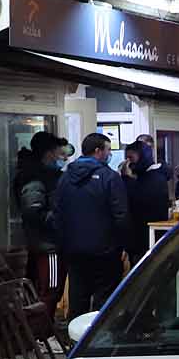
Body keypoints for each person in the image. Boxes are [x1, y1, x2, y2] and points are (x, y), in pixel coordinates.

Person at [54, 132, 129, 318]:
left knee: (78, 297)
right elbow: (121, 214)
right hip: (105, 251)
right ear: (98, 151)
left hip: (74, 251)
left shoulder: (65, 178)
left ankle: (76, 341)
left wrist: (63, 244)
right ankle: (98, 341)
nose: (109, 154)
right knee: (104, 301)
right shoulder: (109, 178)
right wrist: (124, 244)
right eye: (108, 150)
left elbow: (58, 213)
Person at [12, 131, 66, 318]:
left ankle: (40, 330)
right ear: (49, 153)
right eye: (59, 153)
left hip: (42, 242)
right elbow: (34, 211)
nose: (63, 157)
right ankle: (43, 331)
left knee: (42, 288)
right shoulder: (35, 178)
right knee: (49, 289)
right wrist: (61, 217)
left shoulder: (43, 175)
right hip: (47, 244)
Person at [121, 141, 170, 263]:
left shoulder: (155, 178)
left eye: (131, 158)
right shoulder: (143, 177)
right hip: (139, 240)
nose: (128, 163)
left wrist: (127, 179)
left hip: (148, 240)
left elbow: (138, 203)